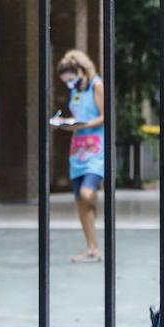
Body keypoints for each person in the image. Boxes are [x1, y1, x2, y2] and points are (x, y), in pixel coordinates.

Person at [55, 50, 106, 263]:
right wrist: (66, 124)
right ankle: (92, 248)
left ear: (81, 70)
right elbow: (78, 116)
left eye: (71, 79)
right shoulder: (75, 91)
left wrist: (84, 124)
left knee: (87, 194)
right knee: (79, 201)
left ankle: (97, 206)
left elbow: (105, 116)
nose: (70, 84)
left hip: (95, 149)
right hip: (77, 150)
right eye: (66, 82)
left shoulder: (97, 85)